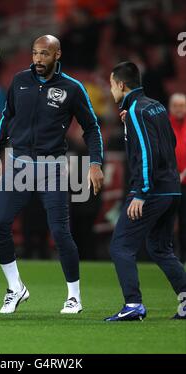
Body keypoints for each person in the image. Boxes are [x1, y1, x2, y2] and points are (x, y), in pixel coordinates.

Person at [0, 35, 104, 314]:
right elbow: (7, 116)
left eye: (44, 54)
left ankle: (74, 296)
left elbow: (92, 128)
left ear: (57, 54)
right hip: (17, 165)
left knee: (61, 233)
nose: (38, 59)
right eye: (35, 53)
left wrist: (96, 163)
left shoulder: (73, 88)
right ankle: (15, 287)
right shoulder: (19, 80)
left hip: (52, 168)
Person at [106, 61, 186, 321]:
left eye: (111, 84)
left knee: (121, 246)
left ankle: (133, 304)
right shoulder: (156, 106)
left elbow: (147, 152)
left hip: (152, 191)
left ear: (120, 84)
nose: (111, 90)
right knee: (161, 249)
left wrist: (141, 192)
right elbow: (169, 142)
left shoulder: (136, 111)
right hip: (172, 189)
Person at [169, 93, 186, 263]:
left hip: (185, 184)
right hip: (169, 182)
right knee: (167, 221)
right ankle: (169, 257)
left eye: (182, 105)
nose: (179, 109)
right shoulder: (165, 124)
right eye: (176, 105)